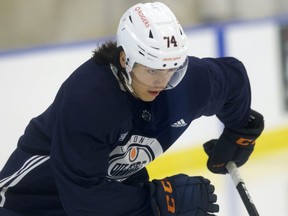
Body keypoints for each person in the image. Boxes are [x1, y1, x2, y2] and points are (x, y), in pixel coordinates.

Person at [0, 2, 264, 216]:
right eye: (152, 70)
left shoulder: (183, 84)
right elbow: (82, 200)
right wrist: (158, 201)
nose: (163, 82)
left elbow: (233, 81)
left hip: (109, 195)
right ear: (125, 59)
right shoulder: (90, 101)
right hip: (29, 202)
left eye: (172, 69)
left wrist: (238, 131)